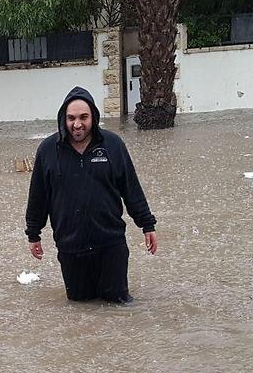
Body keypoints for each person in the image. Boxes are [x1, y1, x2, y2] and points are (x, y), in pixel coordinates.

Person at [24, 86, 157, 303]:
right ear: (63, 119)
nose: (77, 124)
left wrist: (147, 225)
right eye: (71, 118)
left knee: (119, 306)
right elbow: (38, 197)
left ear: (93, 117)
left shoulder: (112, 145)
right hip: (71, 248)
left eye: (83, 117)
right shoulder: (48, 150)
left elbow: (131, 188)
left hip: (111, 245)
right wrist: (33, 234)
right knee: (80, 308)